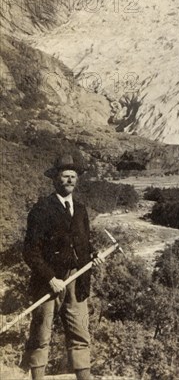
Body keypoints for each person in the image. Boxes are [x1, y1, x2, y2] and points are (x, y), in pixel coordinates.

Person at [21, 152, 104, 380]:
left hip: (77, 280)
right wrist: (50, 278)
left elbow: (83, 242)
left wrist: (93, 254)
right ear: (55, 179)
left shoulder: (80, 210)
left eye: (73, 176)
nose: (69, 180)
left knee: (80, 332)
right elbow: (30, 251)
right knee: (41, 333)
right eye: (65, 176)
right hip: (48, 282)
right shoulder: (41, 210)